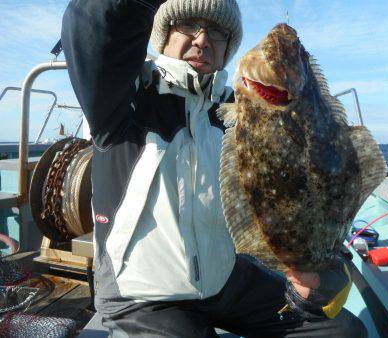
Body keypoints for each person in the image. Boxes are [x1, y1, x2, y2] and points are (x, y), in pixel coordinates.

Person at [61, 0, 368, 337]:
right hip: (143, 294)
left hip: (225, 278)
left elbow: (313, 183)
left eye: (217, 32)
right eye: (188, 24)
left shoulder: (238, 110)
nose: (202, 40)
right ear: (161, 35)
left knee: (343, 331)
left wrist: (322, 273)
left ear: (228, 48)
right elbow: (93, 25)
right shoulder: (121, 97)